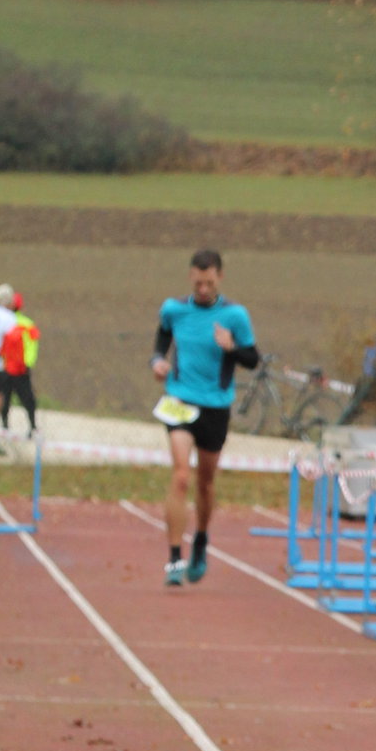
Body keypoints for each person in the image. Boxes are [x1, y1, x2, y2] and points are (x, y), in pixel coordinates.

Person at [151, 249, 259, 588]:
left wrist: (231, 348)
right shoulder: (174, 309)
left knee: (205, 482)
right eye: (198, 283)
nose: (202, 289)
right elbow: (163, 335)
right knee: (181, 475)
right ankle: (174, 558)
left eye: (209, 283)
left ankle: (200, 538)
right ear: (190, 277)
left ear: (220, 278)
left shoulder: (235, 315)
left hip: (215, 406)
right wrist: (157, 360)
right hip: (180, 401)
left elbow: (252, 359)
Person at [0, 285, 40, 432]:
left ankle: (4, 426)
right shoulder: (20, 322)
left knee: (4, 396)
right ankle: (32, 426)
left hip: (7, 365)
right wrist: (27, 363)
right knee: (26, 398)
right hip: (16, 366)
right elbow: (29, 344)